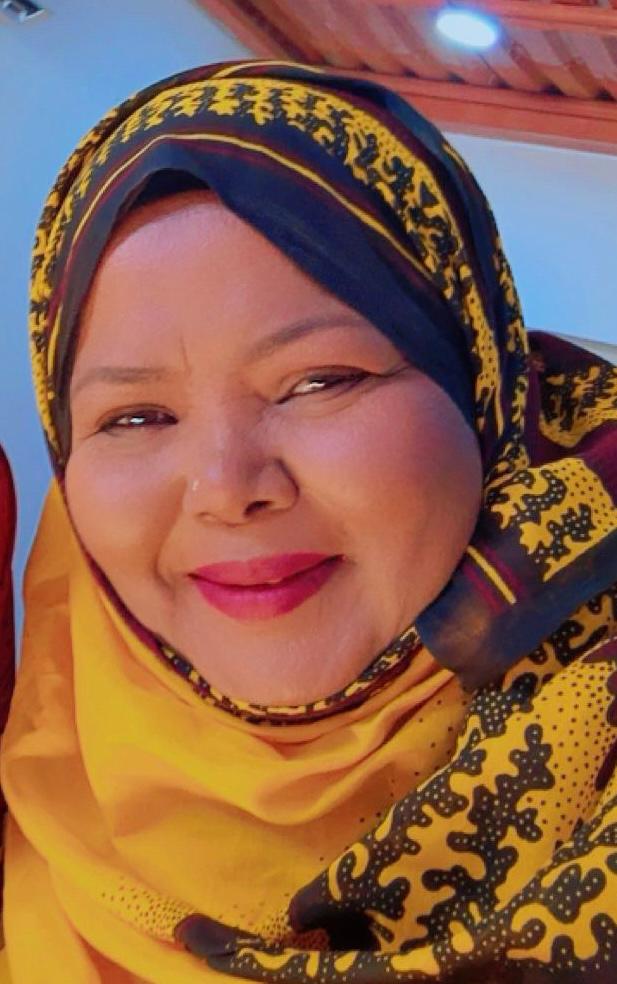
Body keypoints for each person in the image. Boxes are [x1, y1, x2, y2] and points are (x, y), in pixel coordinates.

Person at [0, 60, 615, 983]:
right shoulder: (50, 762)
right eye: (134, 418)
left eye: (321, 380)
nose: (224, 488)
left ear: (481, 388)